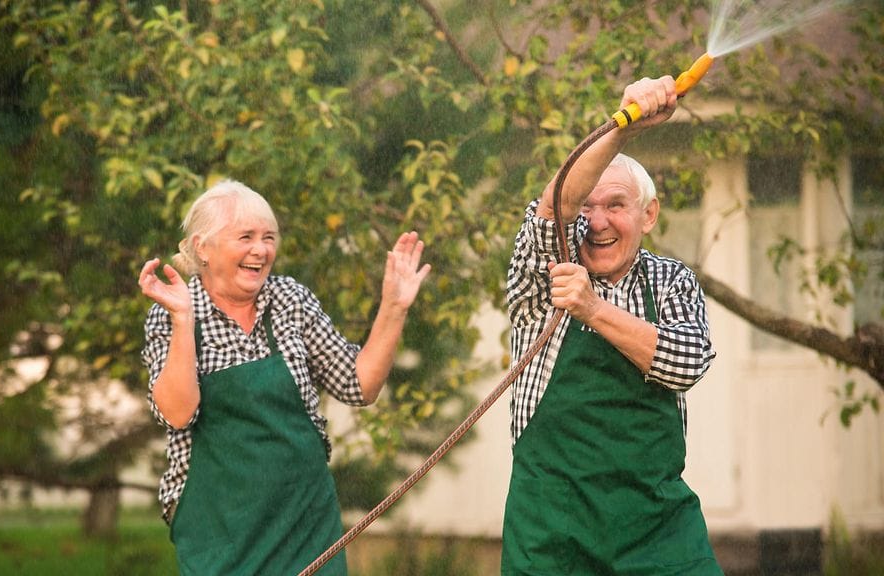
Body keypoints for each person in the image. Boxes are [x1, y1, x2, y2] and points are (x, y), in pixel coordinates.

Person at [138, 180, 430, 576]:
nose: (261, 250)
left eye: (268, 237)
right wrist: (182, 320)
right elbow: (177, 412)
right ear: (203, 247)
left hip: (304, 525)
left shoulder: (290, 300)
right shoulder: (171, 312)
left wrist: (394, 307)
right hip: (221, 535)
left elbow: (358, 385)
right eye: (246, 237)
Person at [501, 76, 723, 575]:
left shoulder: (670, 282)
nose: (597, 221)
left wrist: (594, 310)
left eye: (615, 205)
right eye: (589, 206)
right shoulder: (544, 276)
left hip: (657, 536)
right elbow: (555, 205)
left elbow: (688, 363)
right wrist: (621, 128)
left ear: (648, 215)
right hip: (552, 540)